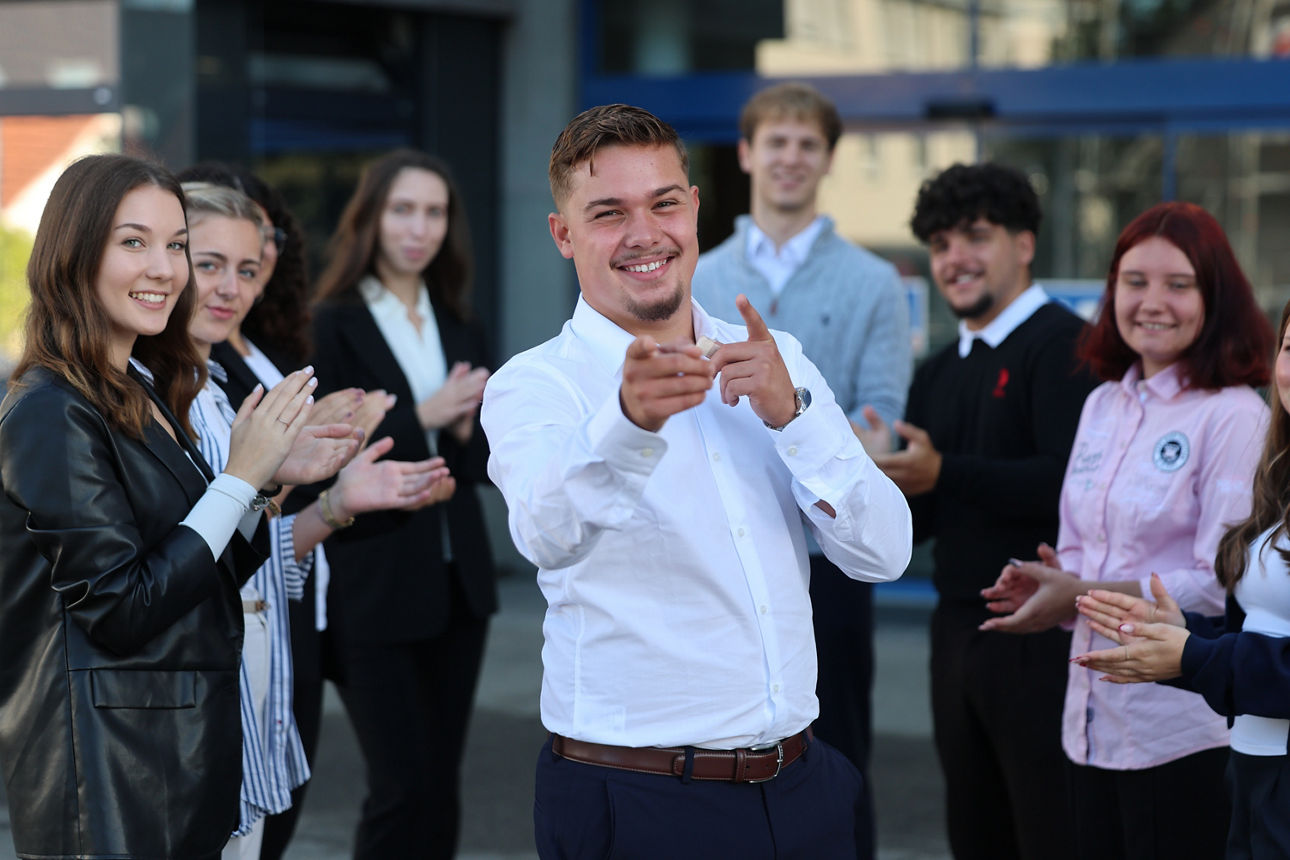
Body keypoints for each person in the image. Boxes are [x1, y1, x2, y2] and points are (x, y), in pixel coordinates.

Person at [481, 103, 912, 859]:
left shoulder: (776, 358)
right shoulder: (536, 384)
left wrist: (795, 417)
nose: (644, 234)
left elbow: (885, 554)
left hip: (805, 787)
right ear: (563, 235)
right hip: (639, 799)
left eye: (664, 203)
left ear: (696, 211)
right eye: (608, 213)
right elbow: (545, 536)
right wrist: (627, 423)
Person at [0, 154, 311, 859]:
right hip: (104, 779)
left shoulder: (138, 388)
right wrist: (239, 475)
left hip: (173, 760)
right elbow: (121, 605)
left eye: (176, 246)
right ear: (74, 254)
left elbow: (204, 567)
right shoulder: (50, 410)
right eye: (133, 242)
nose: (165, 269)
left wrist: (258, 486)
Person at [982, 201, 1273, 858]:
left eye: (1179, 284)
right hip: (1088, 719)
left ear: (1215, 297)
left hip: (1180, 730)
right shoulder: (1102, 403)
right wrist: (1049, 587)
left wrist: (1080, 591)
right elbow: (1079, 546)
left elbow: (1216, 581)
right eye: (1134, 281)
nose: (1152, 302)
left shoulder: (1231, 416)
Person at [178, 181, 455, 858]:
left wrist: (334, 500)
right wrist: (280, 477)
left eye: (248, 268)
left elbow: (236, 549)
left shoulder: (213, 384)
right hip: (186, 695)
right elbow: (163, 575)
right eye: (208, 263)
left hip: (262, 656)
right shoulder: (137, 395)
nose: (232, 286)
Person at [691, 84, 912, 841]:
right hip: (716, 552)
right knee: (723, 745)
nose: (790, 158)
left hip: (834, 551)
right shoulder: (695, 275)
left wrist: (794, 430)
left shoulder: (876, 283)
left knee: (840, 748)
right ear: (747, 153)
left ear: (827, 159)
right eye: (775, 142)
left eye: (806, 145)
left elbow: (883, 422)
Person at [864, 162, 1098, 860]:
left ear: (1024, 244)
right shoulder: (937, 369)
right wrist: (872, 478)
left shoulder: (1065, 347)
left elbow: (1068, 485)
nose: (955, 259)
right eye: (939, 245)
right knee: (975, 833)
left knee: (1050, 832)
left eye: (975, 236)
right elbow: (929, 515)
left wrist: (943, 472)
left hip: (1044, 633)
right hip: (955, 631)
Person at [310, 148, 497, 859]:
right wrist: (423, 413)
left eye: (435, 213)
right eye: (403, 210)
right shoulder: (330, 323)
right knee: (401, 786)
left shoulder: (459, 321)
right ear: (372, 218)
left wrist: (459, 427)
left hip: (458, 583)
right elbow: (323, 447)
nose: (420, 228)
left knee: (441, 783)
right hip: (373, 582)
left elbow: (482, 463)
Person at [1073, 302, 1290, 858]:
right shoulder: (1279, 478)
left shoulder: (1231, 416)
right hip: (1254, 770)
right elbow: (1265, 637)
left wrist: (1193, 656)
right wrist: (1184, 631)